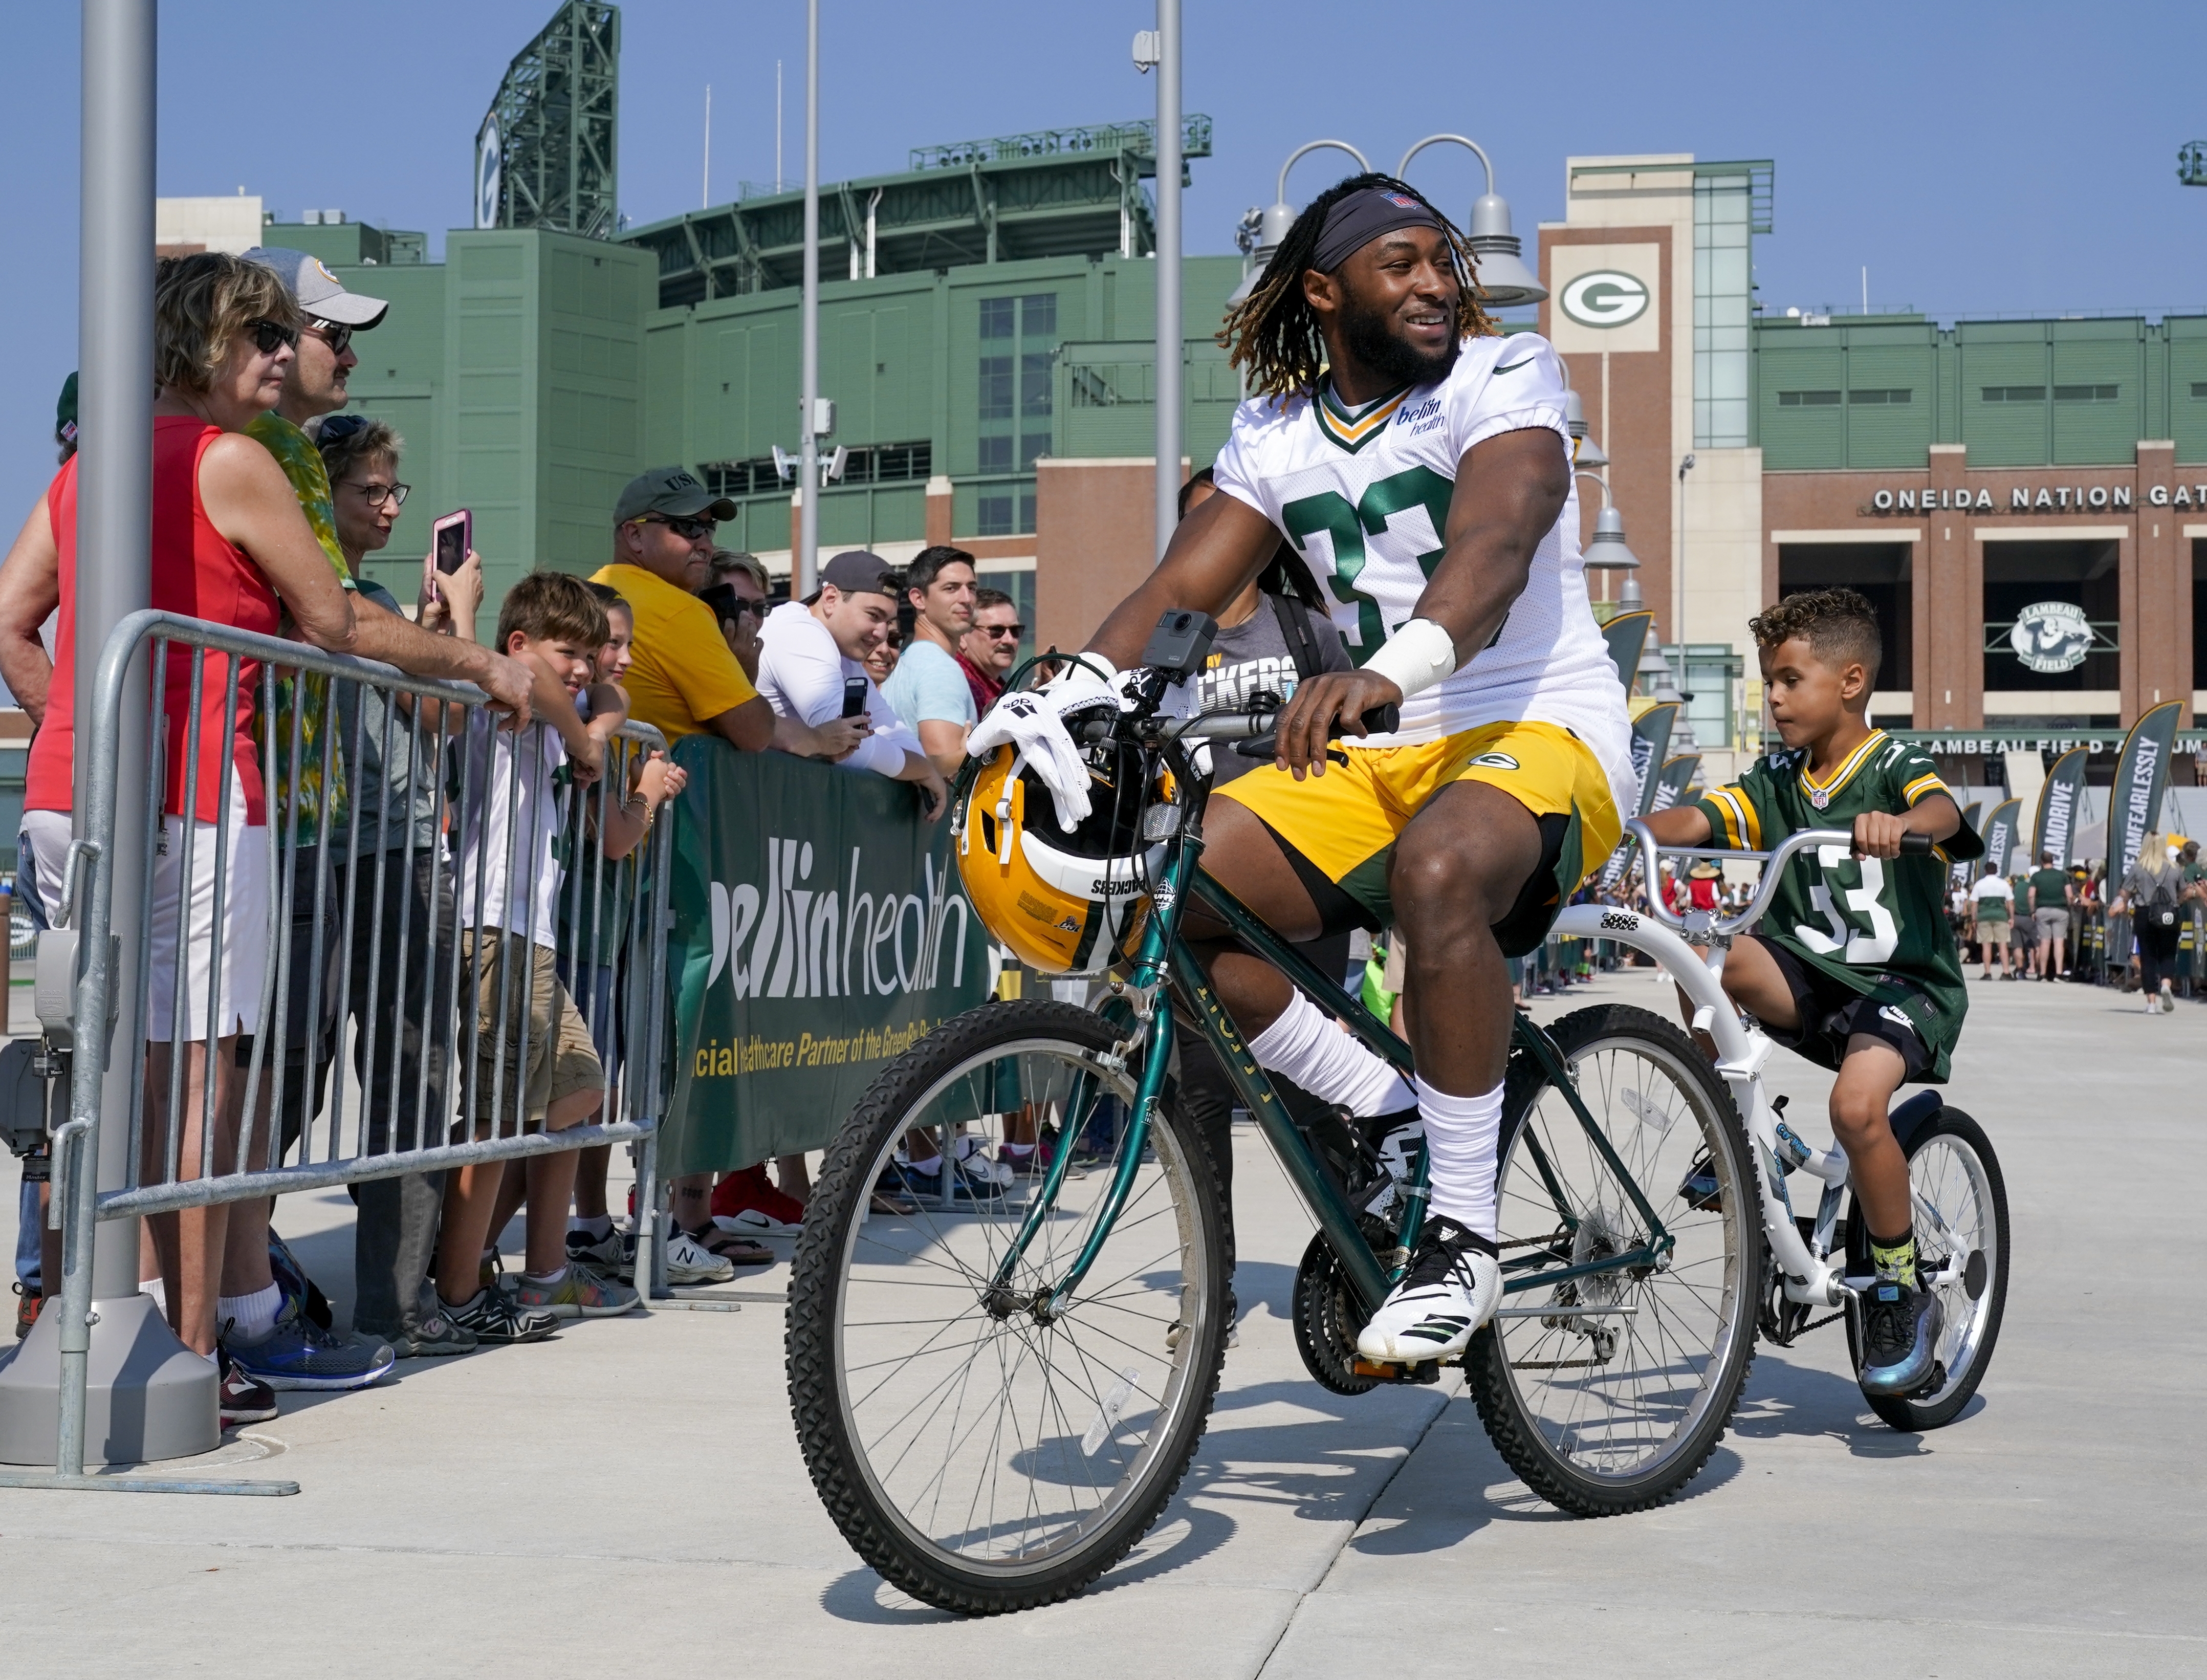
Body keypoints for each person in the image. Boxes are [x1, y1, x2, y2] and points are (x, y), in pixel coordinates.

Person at [965, 173, 1634, 1363]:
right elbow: (1180, 587)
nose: (1437, 283)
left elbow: (1499, 538)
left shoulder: (1505, 371)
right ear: (1324, 292)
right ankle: (1386, 1113)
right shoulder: (1275, 433)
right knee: (1164, 894)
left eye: (1444, 261)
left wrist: (1396, 668)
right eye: (1403, 265)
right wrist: (1054, 703)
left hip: (1535, 728)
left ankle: (1462, 1235)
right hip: (1380, 752)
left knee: (1438, 869)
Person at [0, 254, 379, 1410]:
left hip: (79, 796)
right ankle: (199, 1354)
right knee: (198, 1085)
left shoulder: (86, 473)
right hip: (205, 802)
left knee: (92, 1075)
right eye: (259, 335)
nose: (279, 353)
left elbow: (14, 626)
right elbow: (334, 617)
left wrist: (76, 719)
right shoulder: (232, 461)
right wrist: (483, 667)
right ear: (200, 347)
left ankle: (65, 1333)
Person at [1642, 587, 1978, 1398]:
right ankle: (1724, 1127)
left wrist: (1905, 825)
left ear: (1851, 680)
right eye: (1769, 681)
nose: (1776, 697)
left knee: (1858, 1112)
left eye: (1791, 679)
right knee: (1706, 963)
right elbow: (1705, 818)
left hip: (1904, 985)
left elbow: (1943, 808)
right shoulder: (1777, 777)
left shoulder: (1891, 766)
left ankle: (1901, 1292)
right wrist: (1627, 829)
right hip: (1810, 976)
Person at [433, 572, 639, 1337]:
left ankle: (476, 1250)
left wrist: (594, 737)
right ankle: (455, 1293)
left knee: (579, 1089)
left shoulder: (556, 713)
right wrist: (463, 614)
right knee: (494, 1121)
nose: (586, 669)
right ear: (519, 648)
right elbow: (553, 695)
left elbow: (614, 701)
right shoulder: (508, 700)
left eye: (594, 651)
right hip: (493, 929)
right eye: (570, 651)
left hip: (534, 936)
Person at [755, 550, 947, 817]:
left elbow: (895, 733)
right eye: (873, 615)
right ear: (831, 599)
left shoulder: (843, 649)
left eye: (888, 621)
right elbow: (846, 746)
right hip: (760, 812)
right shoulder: (798, 631)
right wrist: (923, 769)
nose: (881, 633)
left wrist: (916, 763)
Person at [881, 546, 980, 776]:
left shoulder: (906, 662)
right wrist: (979, 750)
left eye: (972, 588)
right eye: (951, 588)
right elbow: (940, 767)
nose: (966, 599)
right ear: (918, 598)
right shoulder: (940, 669)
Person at [2116, 832, 2183, 1014]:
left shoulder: (2138, 867)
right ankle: (2166, 984)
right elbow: (2183, 892)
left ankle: (2152, 1003)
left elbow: (2125, 892)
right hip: (2169, 913)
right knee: (2169, 953)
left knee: (2148, 957)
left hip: (2145, 913)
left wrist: (2124, 903)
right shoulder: (2174, 868)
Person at [959, 586, 1021, 709]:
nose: (1009, 640)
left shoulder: (990, 685)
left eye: (1015, 631)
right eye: (996, 631)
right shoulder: (964, 686)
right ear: (963, 636)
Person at [2026, 850, 2074, 981]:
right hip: (2061, 910)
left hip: (2042, 910)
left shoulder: (2037, 876)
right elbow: (2070, 895)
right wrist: (2068, 907)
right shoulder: (2063, 875)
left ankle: (2042, 973)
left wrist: (2033, 911)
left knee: (2044, 942)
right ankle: (2059, 973)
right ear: (2053, 861)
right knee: (2059, 942)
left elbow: (2031, 895)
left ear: (2041, 862)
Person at [1969, 867, 2014, 980]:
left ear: (1985, 871)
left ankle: (1988, 972)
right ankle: (2006, 972)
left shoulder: (1979, 884)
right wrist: (2011, 917)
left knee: (1986, 945)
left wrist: (1974, 919)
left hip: (1984, 917)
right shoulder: (2003, 884)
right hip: (2001, 916)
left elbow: (1974, 904)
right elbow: (2010, 902)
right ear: (1997, 871)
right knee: (2003, 945)